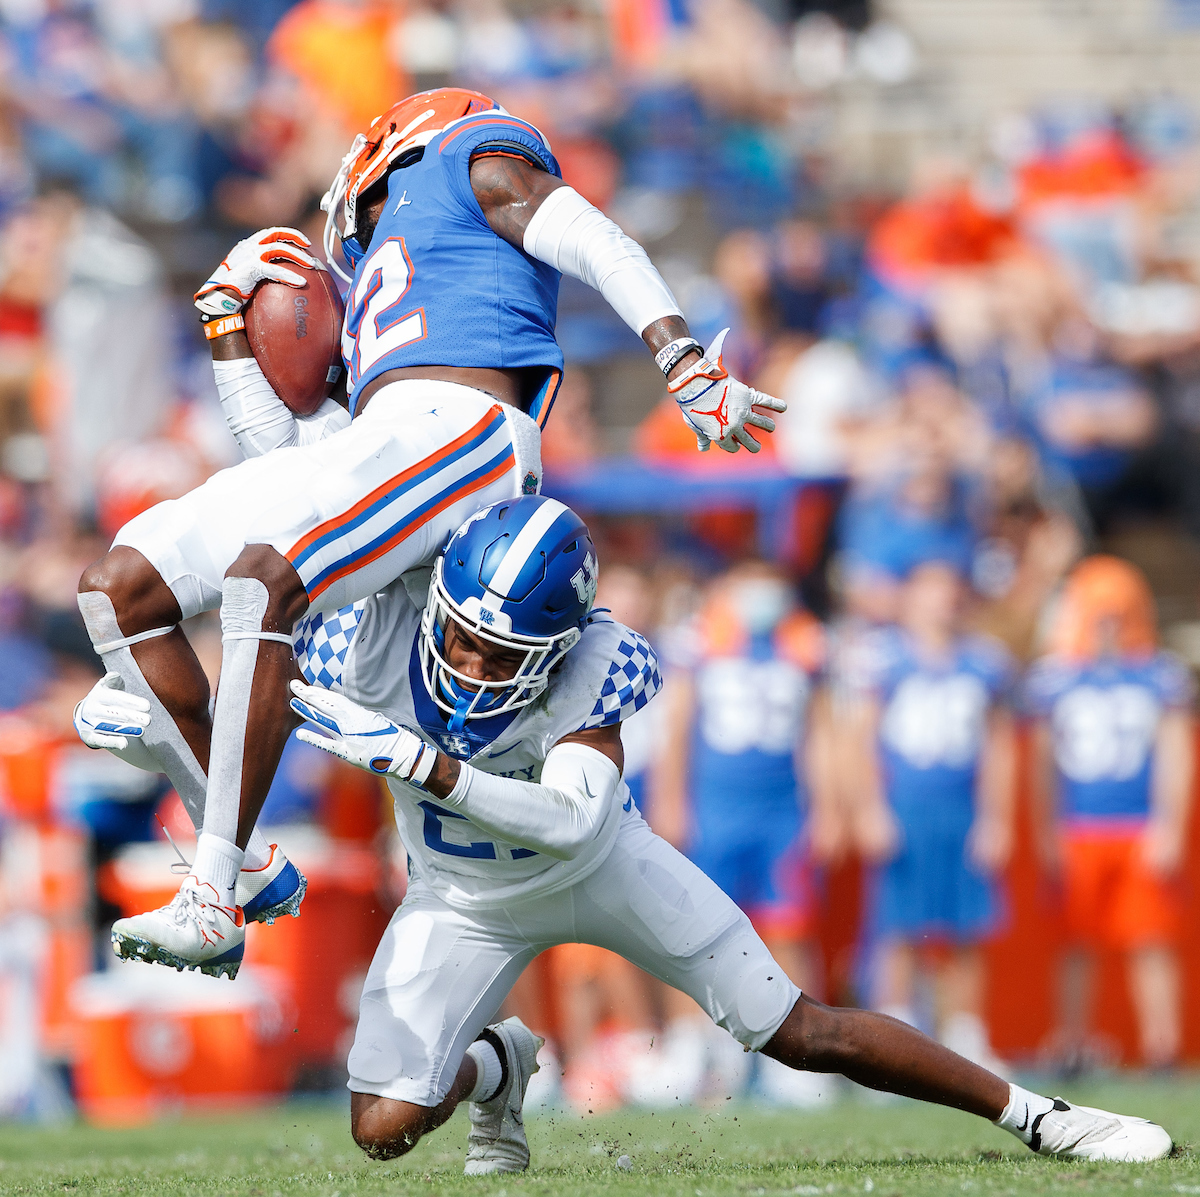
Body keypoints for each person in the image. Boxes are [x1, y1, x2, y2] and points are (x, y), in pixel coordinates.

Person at [73, 87, 785, 976]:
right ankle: (246, 864)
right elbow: (293, 467)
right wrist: (229, 335)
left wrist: (680, 358)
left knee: (264, 582)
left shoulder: (461, 158)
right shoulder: (375, 298)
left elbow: (600, 239)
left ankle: (211, 890)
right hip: (393, 449)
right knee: (119, 589)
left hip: (466, 430)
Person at [261, 495, 1165, 1171]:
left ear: (556, 648)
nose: (467, 666)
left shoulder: (594, 670)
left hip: (605, 866)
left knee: (804, 1032)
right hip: (462, 895)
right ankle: (500, 1065)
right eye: (458, 637)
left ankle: (1039, 1115)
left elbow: (574, 826)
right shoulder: (367, 641)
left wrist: (428, 767)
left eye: (500, 656)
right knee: (381, 1128)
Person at [652, 559, 837, 1105]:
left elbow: (819, 733)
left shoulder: (803, 642)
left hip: (782, 811)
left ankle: (799, 1056)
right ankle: (695, 1049)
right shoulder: (702, 637)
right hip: (716, 806)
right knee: (694, 931)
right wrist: (671, 799)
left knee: (789, 927)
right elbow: (678, 724)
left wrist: (825, 806)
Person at [844, 560, 1015, 1072]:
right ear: (909, 597)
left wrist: (996, 817)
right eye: (929, 589)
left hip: (960, 805)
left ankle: (966, 1034)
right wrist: (870, 808)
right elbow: (860, 739)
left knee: (966, 928)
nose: (941, 601)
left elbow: (999, 747)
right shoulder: (881, 659)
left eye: (948, 588)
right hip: (905, 803)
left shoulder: (984, 662)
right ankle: (893, 1042)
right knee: (897, 927)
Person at [1026, 555, 1194, 1070]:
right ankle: (1073, 1043)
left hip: (1139, 826)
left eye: (1117, 613)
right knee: (1075, 941)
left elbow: (1176, 751)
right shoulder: (1056, 677)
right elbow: (1041, 764)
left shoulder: (1158, 674)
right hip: (1077, 827)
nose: (1107, 625)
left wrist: (1171, 825)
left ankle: (1162, 1046)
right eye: (1098, 613)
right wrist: (1045, 830)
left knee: (1151, 940)